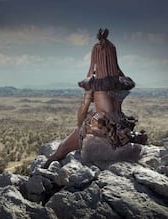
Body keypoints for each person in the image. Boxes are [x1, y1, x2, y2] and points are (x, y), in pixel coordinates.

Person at [43, 28, 145, 168]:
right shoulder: (119, 87)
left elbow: (81, 116)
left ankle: (46, 166)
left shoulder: (95, 87)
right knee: (68, 144)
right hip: (117, 125)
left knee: (62, 149)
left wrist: (87, 94)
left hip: (101, 129)